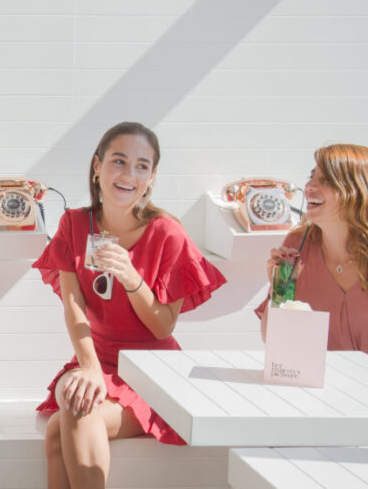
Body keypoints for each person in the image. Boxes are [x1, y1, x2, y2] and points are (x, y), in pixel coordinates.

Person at [34, 122, 226, 488]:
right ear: (97, 166)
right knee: (75, 400)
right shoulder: (74, 224)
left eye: (141, 166)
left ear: (152, 177)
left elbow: (162, 327)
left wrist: (131, 277)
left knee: (65, 426)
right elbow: (73, 305)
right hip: (94, 359)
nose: (128, 174)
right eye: (118, 161)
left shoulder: (167, 232)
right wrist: (89, 367)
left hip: (153, 372)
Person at [258, 144, 368, 386]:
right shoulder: (298, 248)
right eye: (312, 176)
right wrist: (280, 289)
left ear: (358, 192)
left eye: (326, 180)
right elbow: (274, 341)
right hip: (320, 401)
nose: (310, 187)